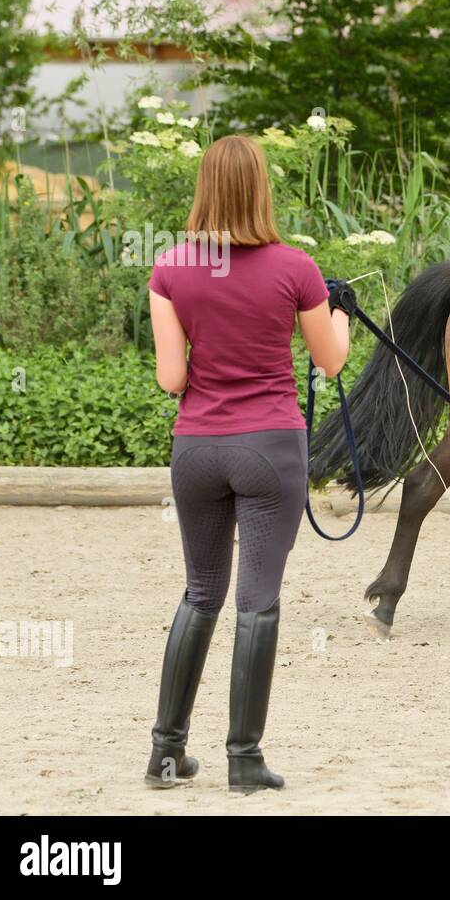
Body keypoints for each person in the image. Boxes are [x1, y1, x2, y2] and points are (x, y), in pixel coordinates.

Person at [143, 134, 354, 793]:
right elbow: (331, 361)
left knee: (200, 594)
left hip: (197, 449)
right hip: (270, 450)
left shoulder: (170, 268)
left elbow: (171, 379)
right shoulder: (296, 268)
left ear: (204, 189)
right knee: (257, 602)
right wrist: (338, 311)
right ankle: (244, 760)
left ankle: (166, 754)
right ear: (261, 189)